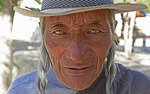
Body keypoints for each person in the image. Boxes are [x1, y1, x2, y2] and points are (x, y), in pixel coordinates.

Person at [7, 0, 150, 94]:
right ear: (43, 33)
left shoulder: (139, 87)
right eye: (59, 32)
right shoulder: (21, 90)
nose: (77, 55)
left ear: (113, 31)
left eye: (94, 31)